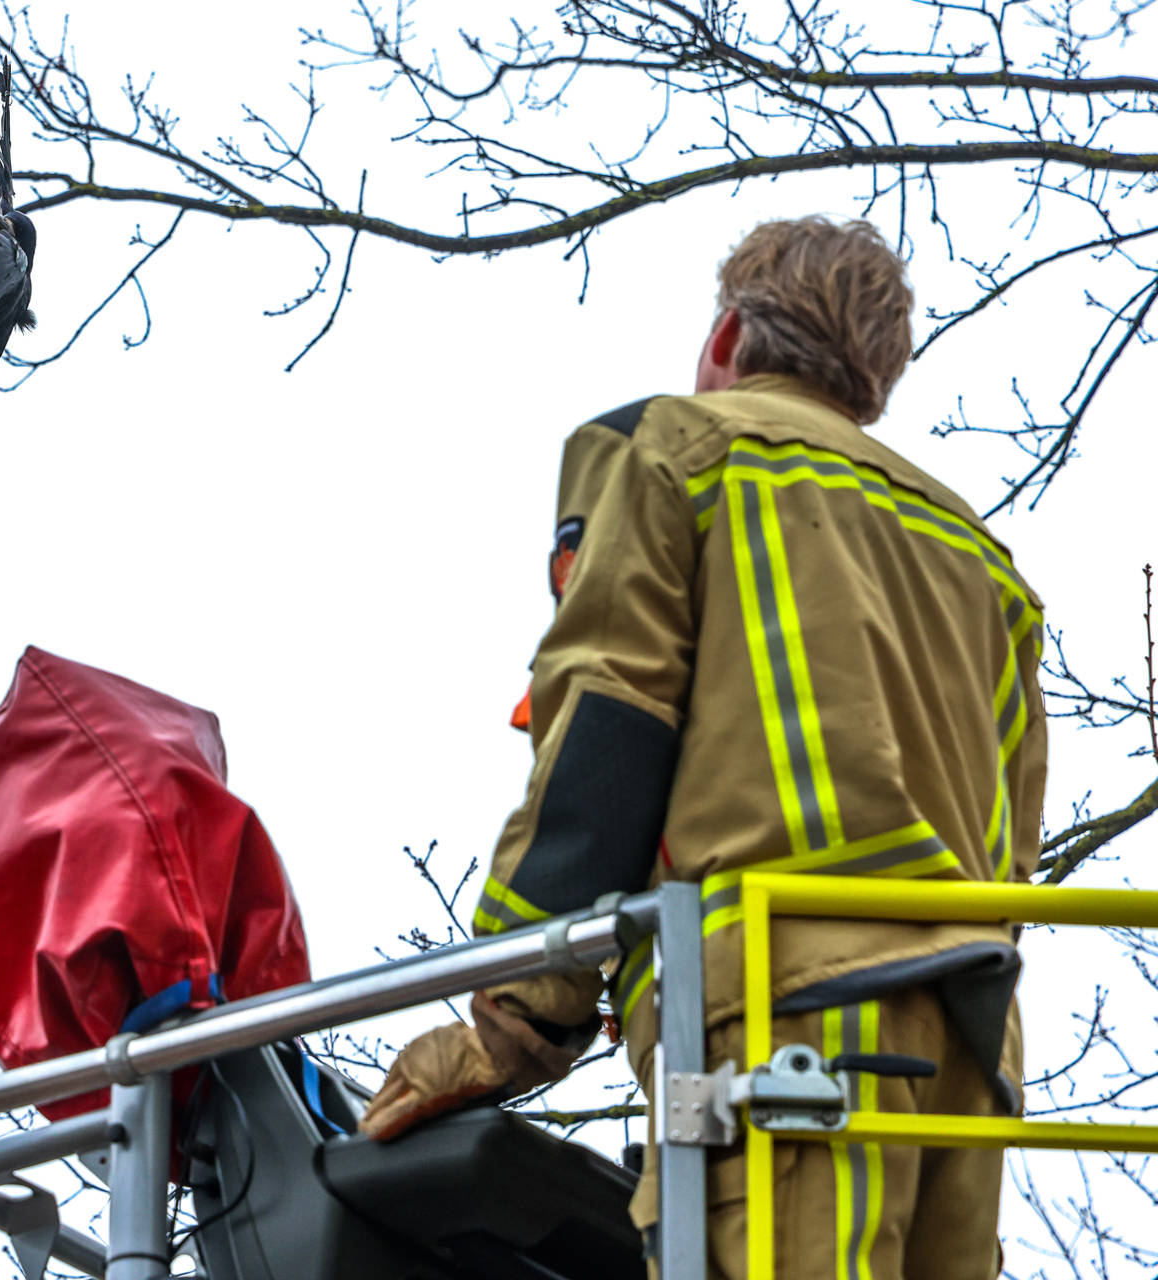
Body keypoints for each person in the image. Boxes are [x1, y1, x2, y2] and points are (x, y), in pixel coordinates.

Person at [358, 216, 1047, 1280]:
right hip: (975, 1050)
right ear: (874, 380)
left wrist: (519, 1015)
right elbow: (1014, 854)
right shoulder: (982, 559)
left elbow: (609, 723)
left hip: (795, 1014)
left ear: (728, 337)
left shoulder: (686, 449)